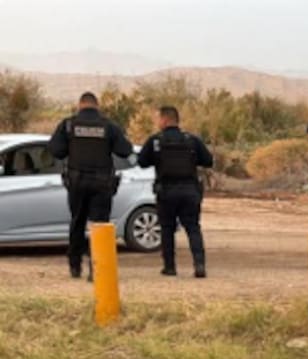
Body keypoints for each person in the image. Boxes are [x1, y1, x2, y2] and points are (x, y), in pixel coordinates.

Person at [48, 91, 133, 280]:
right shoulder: (109, 126)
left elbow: (55, 150)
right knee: (100, 226)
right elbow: (125, 150)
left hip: (76, 182)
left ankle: (75, 266)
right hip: (101, 184)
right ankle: (97, 269)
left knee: (77, 223)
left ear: (80, 105)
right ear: (97, 106)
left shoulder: (69, 125)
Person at [137, 106, 214, 278]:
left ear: (164, 120)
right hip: (189, 191)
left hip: (166, 191)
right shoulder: (192, 140)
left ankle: (170, 266)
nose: (158, 122)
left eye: (158, 119)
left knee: (167, 229)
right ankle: (199, 265)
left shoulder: (156, 141)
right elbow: (208, 161)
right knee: (193, 228)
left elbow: (141, 162)